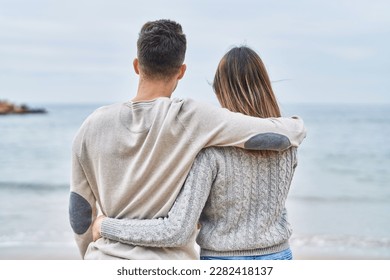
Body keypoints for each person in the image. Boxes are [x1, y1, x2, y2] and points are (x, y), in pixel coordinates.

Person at [69, 19, 306, 260]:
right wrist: (297, 126)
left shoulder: (92, 125)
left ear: (136, 65)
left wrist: (91, 250)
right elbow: (273, 136)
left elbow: (80, 212)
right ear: (181, 71)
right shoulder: (193, 117)